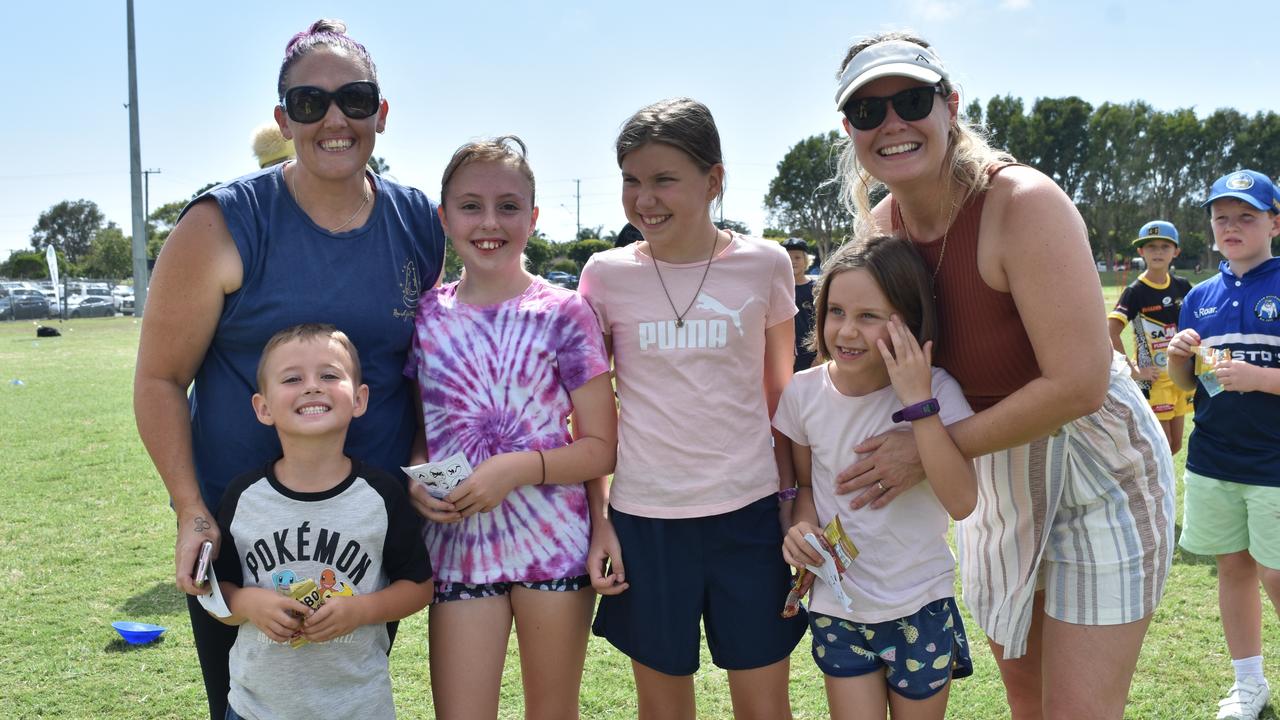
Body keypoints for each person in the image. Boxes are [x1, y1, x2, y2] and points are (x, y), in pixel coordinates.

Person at [828, 33, 1174, 719]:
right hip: (994, 472)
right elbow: (858, 366)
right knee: (1025, 698)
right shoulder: (880, 231)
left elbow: (1079, 383)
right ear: (850, 131)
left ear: (950, 105)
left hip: (1094, 465)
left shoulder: (1020, 202)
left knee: (1077, 709)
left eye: (911, 100)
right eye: (868, 112)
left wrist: (933, 445)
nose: (892, 123)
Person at [132, 18, 446, 719]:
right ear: (284, 118)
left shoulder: (419, 221)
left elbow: (420, 367)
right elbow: (158, 380)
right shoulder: (221, 222)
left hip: (366, 535)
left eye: (355, 99)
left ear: (381, 114)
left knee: (346, 697)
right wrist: (192, 513)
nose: (335, 119)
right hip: (247, 536)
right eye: (310, 103)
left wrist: (422, 464)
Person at [580, 97, 806, 720]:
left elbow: (780, 397)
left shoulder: (765, 263)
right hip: (646, 521)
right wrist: (601, 521)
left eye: (662, 180)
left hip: (750, 517)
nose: (643, 199)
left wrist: (792, 503)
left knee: (764, 709)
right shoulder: (603, 275)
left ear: (714, 181)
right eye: (631, 180)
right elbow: (594, 415)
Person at [403, 136, 618, 719]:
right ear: (445, 217)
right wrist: (417, 481)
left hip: (553, 547)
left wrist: (516, 468)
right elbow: (426, 430)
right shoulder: (427, 316)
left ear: (533, 217)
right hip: (459, 548)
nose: (489, 222)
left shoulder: (566, 312)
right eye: (470, 206)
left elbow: (601, 448)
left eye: (508, 206)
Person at [776, 235, 975, 719]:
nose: (846, 331)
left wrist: (917, 400)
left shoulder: (939, 391)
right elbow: (804, 488)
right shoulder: (803, 394)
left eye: (869, 316)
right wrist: (796, 528)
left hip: (920, 602)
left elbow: (962, 501)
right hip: (840, 607)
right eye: (836, 311)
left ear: (908, 320)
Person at [212, 324, 433, 720]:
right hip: (256, 708)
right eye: (293, 378)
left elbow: (419, 588)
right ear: (263, 407)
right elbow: (213, 592)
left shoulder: (381, 496)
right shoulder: (243, 497)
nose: (312, 387)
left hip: (359, 707)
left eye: (329, 375)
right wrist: (248, 602)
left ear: (359, 398)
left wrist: (363, 610)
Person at [1167, 169, 1280, 720]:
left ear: (1274, 223)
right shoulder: (1200, 297)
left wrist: (1261, 379)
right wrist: (1175, 357)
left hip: (1275, 464)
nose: (1231, 226)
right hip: (1213, 461)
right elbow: (1191, 388)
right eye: (1221, 217)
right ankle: (1248, 684)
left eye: (1247, 216)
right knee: (1233, 569)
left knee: (1278, 575)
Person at [1108, 220, 1195, 454]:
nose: (1158, 252)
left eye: (1165, 247)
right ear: (1140, 251)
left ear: (1175, 251)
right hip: (1154, 381)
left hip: (1180, 377)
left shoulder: (1183, 286)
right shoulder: (1135, 291)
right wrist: (1134, 371)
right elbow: (1111, 331)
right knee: (1161, 447)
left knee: (1175, 446)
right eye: (1151, 246)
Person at [782, 237, 818, 372]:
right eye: (788, 258)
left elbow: (821, 323)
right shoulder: (777, 289)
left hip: (809, 356)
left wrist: (819, 356)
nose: (792, 262)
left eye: (797, 258)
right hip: (783, 355)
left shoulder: (815, 289)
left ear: (806, 261)